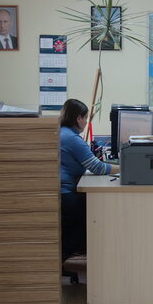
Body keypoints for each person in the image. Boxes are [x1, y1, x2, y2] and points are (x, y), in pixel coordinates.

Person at [59, 99, 119, 261]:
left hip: (60, 190)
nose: (86, 122)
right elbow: (98, 168)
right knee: (91, 219)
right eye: (85, 118)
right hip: (64, 194)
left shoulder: (62, 132)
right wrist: (125, 168)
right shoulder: (72, 138)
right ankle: (60, 260)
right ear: (78, 118)